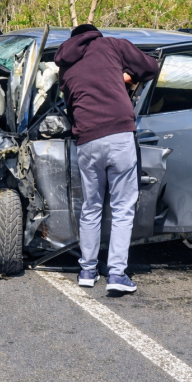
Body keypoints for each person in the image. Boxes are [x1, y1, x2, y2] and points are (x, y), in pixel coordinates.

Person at [54, 24, 160, 293]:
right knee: (123, 207)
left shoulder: (65, 67)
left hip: (87, 140)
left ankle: (87, 270)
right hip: (118, 134)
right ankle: (116, 275)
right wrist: (127, 76)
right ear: (95, 34)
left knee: (91, 206)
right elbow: (150, 67)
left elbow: (71, 105)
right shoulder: (111, 45)